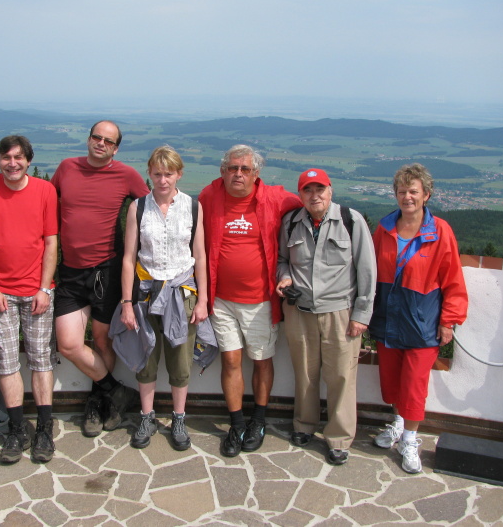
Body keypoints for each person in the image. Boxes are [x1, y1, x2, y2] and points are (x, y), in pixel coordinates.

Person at [199, 145, 302, 457]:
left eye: (245, 169)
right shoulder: (209, 196)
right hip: (221, 299)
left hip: (260, 301)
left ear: (256, 174)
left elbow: (310, 205)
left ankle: (258, 420)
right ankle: (236, 424)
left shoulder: (275, 198)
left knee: (261, 360)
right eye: (232, 168)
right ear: (222, 171)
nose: (238, 174)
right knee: (230, 361)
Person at [0, 135, 58, 465]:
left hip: (36, 291)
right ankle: (17, 430)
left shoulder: (45, 191)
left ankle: (44, 430)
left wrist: (44, 289)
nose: (12, 163)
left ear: (28, 160)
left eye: (18, 157)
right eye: (6, 157)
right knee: (5, 361)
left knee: (41, 359)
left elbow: (51, 242)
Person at [51, 120, 150, 437]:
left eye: (108, 141)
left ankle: (98, 403)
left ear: (116, 148)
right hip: (70, 271)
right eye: (97, 137)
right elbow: (43, 204)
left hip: (107, 270)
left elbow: (152, 209)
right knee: (68, 344)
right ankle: (116, 391)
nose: (101, 144)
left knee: (102, 340)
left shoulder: (126, 175)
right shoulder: (66, 168)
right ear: (88, 139)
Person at [369, 163, 468, 474]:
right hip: (387, 318)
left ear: (426, 195)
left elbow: (453, 279)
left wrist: (449, 320)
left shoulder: (440, 231)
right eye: (402, 191)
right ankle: (399, 423)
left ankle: (410, 439)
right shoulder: (384, 229)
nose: (407, 197)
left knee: (414, 384)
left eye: (413, 191)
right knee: (392, 381)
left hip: (422, 321)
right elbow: (368, 272)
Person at [276, 168, 376, 466]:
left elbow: (367, 270)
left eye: (320, 189)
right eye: (308, 190)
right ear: (300, 194)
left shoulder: (351, 220)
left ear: (330, 190)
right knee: (305, 373)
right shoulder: (291, 222)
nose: (314, 195)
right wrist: (284, 277)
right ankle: (304, 425)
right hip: (300, 311)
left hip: (340, 313)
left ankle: (339, 438)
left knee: (341, 376)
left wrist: (361, 314)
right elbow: (282, 260)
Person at [115, 146, 210, 450]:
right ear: (149, 174)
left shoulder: (193, 207)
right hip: (145, 294)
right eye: (157, 174)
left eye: (169, 173)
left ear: (179, 174)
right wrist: (126, 303)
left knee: (180, 362)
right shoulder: (138, 207)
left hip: (182, 294)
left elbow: (200, 256)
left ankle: (179, 418)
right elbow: (129, 258)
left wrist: (203, 300)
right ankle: (147, 417)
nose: (163, 180)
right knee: (146, 358)